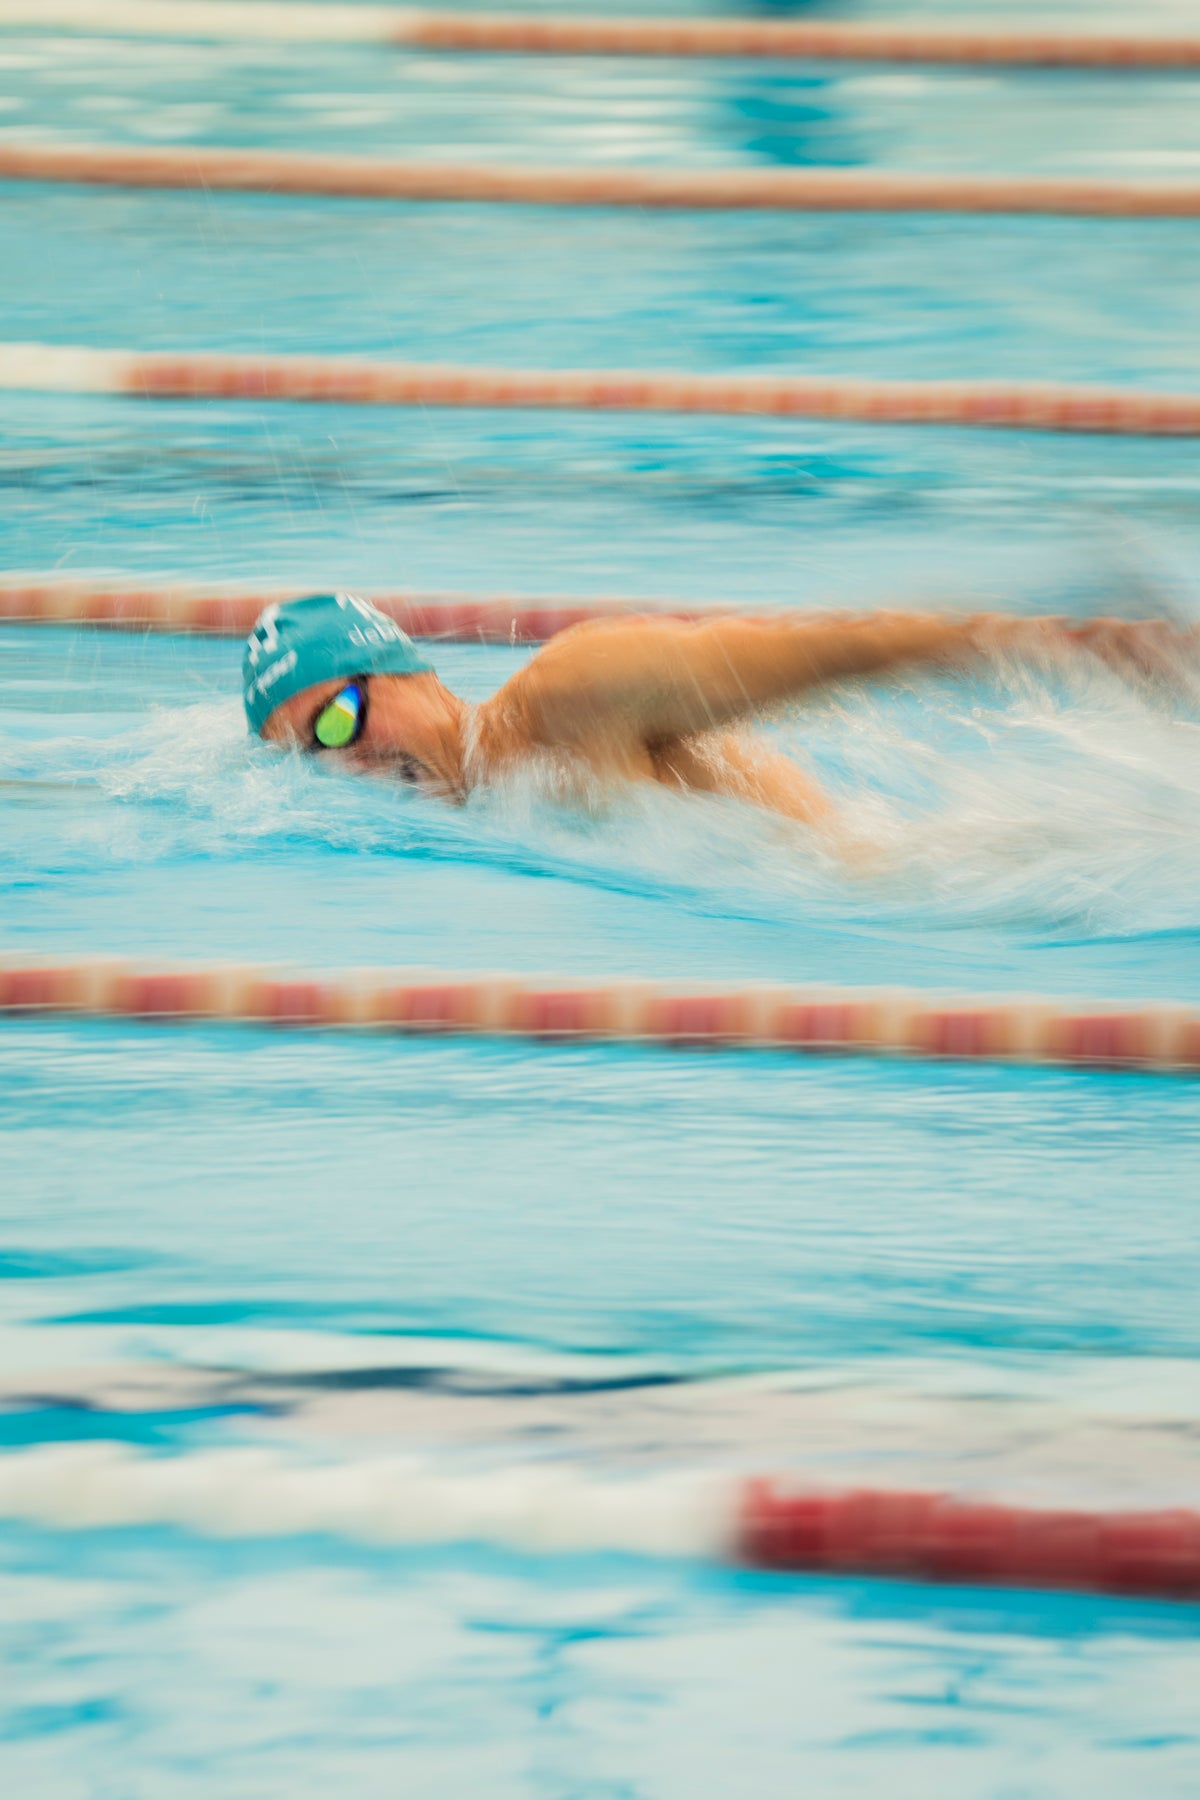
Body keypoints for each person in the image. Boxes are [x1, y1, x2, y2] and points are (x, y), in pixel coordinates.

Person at [242, 591, 1170, 828]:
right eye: (309, 756)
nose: (343, 762)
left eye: (338, 720)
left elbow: (830, 653)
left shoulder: (571, 697)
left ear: (404, 671)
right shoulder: (484, 807)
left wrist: (1073, 643)